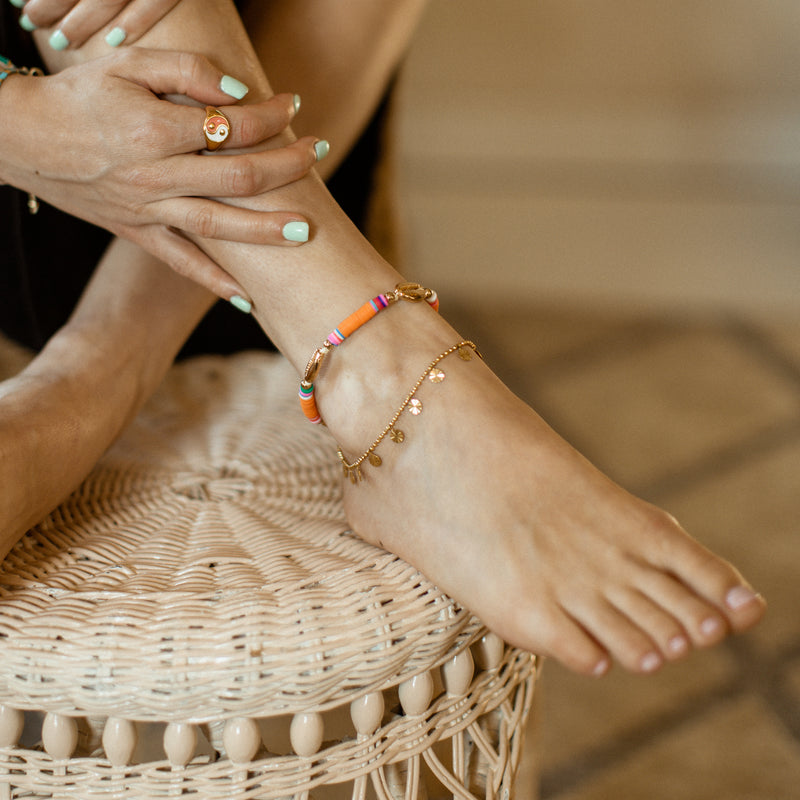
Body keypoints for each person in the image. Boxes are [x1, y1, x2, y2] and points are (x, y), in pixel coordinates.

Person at [0, 0, 765, 678]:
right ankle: (385, 371)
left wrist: (94, 369)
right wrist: (25, 125)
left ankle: (360, 362)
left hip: (275, 120)